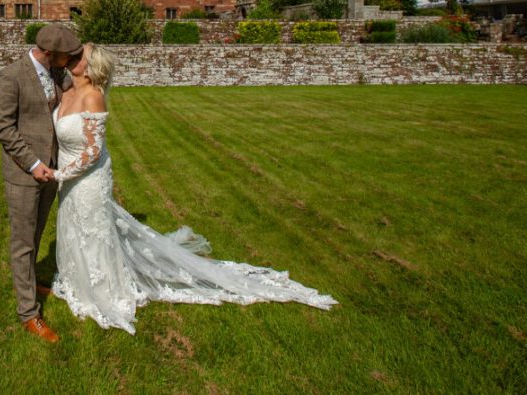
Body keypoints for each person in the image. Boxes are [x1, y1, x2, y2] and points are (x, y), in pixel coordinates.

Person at [51, 43, 338, 334]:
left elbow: (92, 152)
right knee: (75, 224)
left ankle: (102, 288)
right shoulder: (67, 89)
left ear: (91, 67)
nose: (72, 56)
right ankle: (77, 278)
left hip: (88, 177)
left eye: (79, 55)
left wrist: (58, 174)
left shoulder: (93, 97)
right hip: (69, 176)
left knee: (93, 227)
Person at [0, 24, 83, 343]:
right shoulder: (12, 76)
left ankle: (29, 284)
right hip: (24, 174)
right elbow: (3, 128)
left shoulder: (58, 74)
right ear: (47, 53)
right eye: (65, 56)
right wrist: (33, 164)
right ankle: (28, 313)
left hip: (52, 171)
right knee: (23, 242)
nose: (69, 60)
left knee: (36, 234)